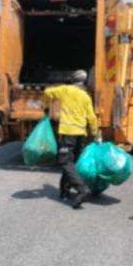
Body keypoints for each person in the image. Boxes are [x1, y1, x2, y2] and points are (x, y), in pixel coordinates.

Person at [43, 70, 99, 209]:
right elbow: (91, 117)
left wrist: (46, 105)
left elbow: (47, 92)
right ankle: (64, 190)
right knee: (71, 162)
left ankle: (81, 189)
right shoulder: (85, 96)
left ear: (72, 80)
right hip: (81, 134)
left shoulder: (65, 90)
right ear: (83, 82)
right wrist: (95, 134)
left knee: (65, 161)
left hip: (68, 133)